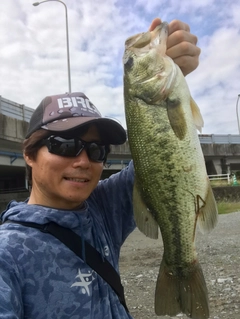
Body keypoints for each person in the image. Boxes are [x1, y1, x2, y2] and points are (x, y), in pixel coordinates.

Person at [0, 18, 200, 319]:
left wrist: (174, 73)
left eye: (96, 150)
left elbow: (159, 166)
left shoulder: (101, 210)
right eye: (64, 144)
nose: (82, 161)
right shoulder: (7, 256)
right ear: (29, 153)